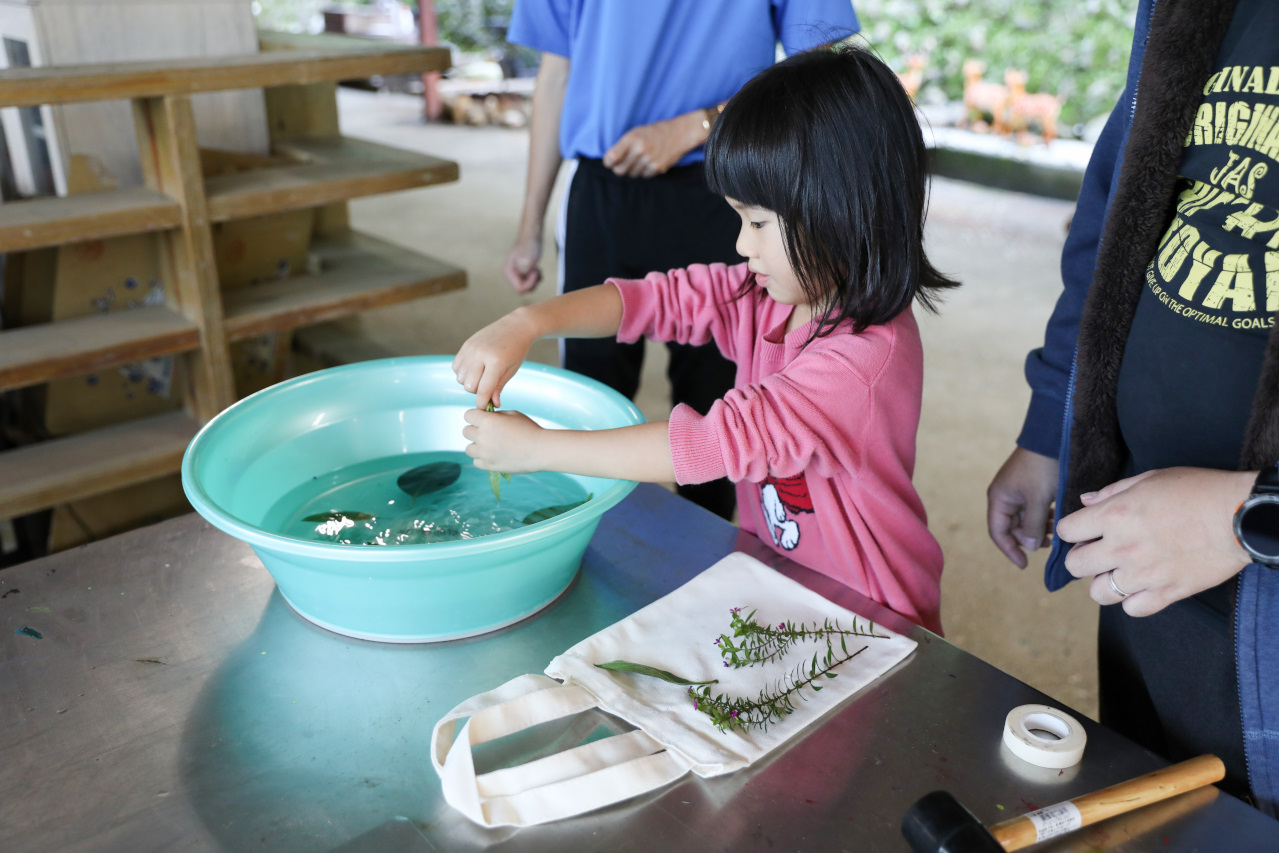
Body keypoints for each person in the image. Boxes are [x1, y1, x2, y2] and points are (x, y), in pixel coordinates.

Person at [454, 46, 959, 633]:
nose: (742, 245)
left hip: (872, 615)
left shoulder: (861, 361)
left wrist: (540, 450)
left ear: (842, 210)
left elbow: (710, 444)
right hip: (784, 584)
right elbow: (655, 299)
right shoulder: (765, 294)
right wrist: (527, 322)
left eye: (759, 222)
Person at [986, 0, 1279, 813]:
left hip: (1253, 583)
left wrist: (1247, 516)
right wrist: (1054, 418)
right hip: (1145, 548)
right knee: (1151, 795)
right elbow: (1116, 213)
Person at [501, 0, 859, 522]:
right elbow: (555, 75)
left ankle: (715, 556)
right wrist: (529, 233)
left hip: (726, 183)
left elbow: (822, 71)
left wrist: (704, 122)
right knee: (589, 397)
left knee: (723, 411)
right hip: (601, 190)